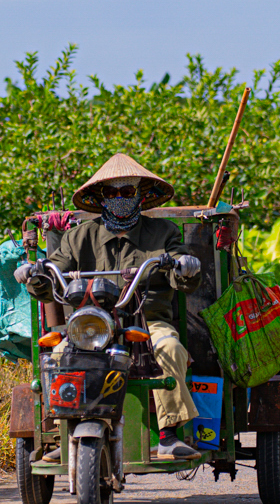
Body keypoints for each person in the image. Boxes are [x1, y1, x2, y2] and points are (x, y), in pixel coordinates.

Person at [30, 153, 202, 460]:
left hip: (148, 322)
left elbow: (183, 276)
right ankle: (63, 431)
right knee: (58, 355)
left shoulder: (164, 232)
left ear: (141, 195)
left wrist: (184, 266)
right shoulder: (77, 236)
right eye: (111, 192)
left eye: (127, 191)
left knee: (170, 348)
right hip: (91, 325)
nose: (119, 198)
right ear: (101, 198)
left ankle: (169, 435)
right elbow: (52, 276)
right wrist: (35, 274)